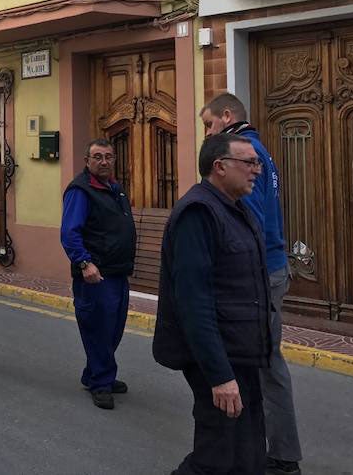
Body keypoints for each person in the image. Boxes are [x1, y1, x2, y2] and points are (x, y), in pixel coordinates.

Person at [154, 133, 272, 475]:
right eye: (249, 163)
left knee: (248, 454)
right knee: (216, 457)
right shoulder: (198, 214)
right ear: (219, 167)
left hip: (243, 353)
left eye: (257, 163)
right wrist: (220, 376)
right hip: (219, 359)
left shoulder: (236, 210)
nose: (257, 170)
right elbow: (193, 302)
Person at [201, 93, 302, 475]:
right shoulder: (258, 151)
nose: (208, 132)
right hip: (269, 267)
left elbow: (251, 220)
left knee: (264, 362)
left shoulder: (245, 155)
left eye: (209, 124)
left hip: (262, 270)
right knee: (261, 360)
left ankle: (281, 455)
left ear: (227, 117)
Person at [60, 139, 136, 410]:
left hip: (117, 273)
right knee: (98, 329)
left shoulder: (114, 189)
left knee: (113, 328)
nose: (104, 161)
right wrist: (84, 264)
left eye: (108, 156)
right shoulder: (81, 190)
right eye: (98, 157)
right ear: (87, 161)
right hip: (95, 275)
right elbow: (69, 232)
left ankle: (95, 373)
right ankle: (101, 383)